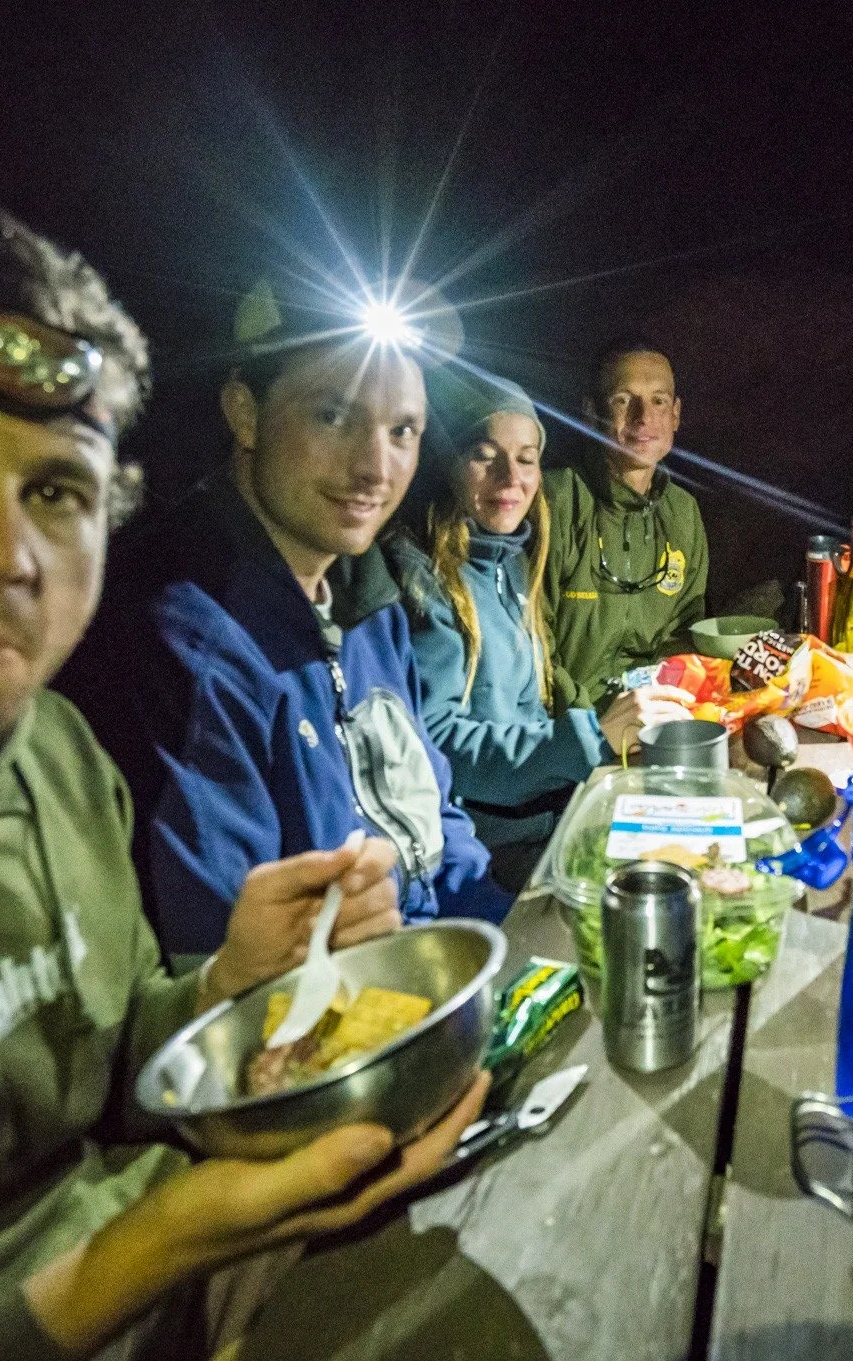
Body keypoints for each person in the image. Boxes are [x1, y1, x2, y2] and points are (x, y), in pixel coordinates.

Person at [0, 196, 487, 1360]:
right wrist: (149, 1249)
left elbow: (113, 1052)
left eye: (56, 492)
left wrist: (224, 987)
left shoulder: (56, 758)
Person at [58, 274, 506, 957]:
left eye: (403, 429)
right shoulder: (185, 639)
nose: (374, 466)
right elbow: (216, 953)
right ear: (245, 411)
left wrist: (511, 933)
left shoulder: (370, 598)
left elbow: (436, 819)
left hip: (439, 959)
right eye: (333, 415)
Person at [387, 372, 693, 881]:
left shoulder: (505, 562)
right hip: (485, 853)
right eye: (486, 455)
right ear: (445, 461)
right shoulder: (424, 580)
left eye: (527, 458)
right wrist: (590, 737)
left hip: (547, 815)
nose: (512, 478)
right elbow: (437, 745)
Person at [540, 336, 710, 708]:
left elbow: (684, 633)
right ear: (590, 412)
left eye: (658, 400)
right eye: (622, 400)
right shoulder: (554, 501)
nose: (643, 418)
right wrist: (592, 726)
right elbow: (533, 642)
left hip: (651, 718)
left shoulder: (683, 512)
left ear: (675, 415)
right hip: (566, 726)